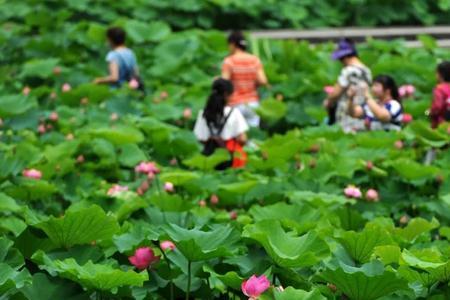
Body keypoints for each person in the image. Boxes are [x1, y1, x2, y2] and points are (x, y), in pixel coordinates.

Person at [194, 78, 249, 170]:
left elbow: (200, 138)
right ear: (226, 94)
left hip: (209, 155)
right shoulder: (234, 112)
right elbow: (242, 139)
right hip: (230, 155)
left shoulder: (203, 113)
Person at [221, 31, 269, 127]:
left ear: (232, 44)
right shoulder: (254, 60)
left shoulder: (229, 61)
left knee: (235, 138)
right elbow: (263, 81)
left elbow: (224, 83)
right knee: (252, 136)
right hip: (252, 104)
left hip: (235, 104)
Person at [324, 38, 372, 132]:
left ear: (345, 57)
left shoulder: (348, 71)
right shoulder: (367, 71)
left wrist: (328, 101)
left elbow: (335, 94)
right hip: (362, 112)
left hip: (346, 113)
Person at [430, 61, 450, 128]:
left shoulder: (439, 89)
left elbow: (437, 107)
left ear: (440, 74)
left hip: (442, 123)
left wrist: (428, 112)